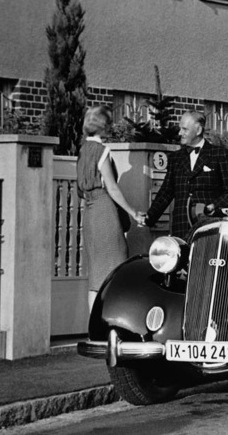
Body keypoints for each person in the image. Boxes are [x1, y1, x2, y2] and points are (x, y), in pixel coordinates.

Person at [77, 106, 145, 311]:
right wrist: (133, 212)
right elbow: (112, 188)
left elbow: (80, 190)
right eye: (108, 123)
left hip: (90, 213)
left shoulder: (83, 150)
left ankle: (93, 324)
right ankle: (110, 321)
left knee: (96, 276)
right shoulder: (102, 150)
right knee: (116, 268)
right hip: (104, 211)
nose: (111, 127)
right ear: (103, 126)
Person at [143, 110, 228, 239]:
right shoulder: (176, 158)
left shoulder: (219, 154)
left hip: (209, 227)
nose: (180, 133)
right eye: (180, 129)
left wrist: (214, 206)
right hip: (181, 228)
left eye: (185, 129)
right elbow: (166, 192)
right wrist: (149, 217)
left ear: (198, 130)